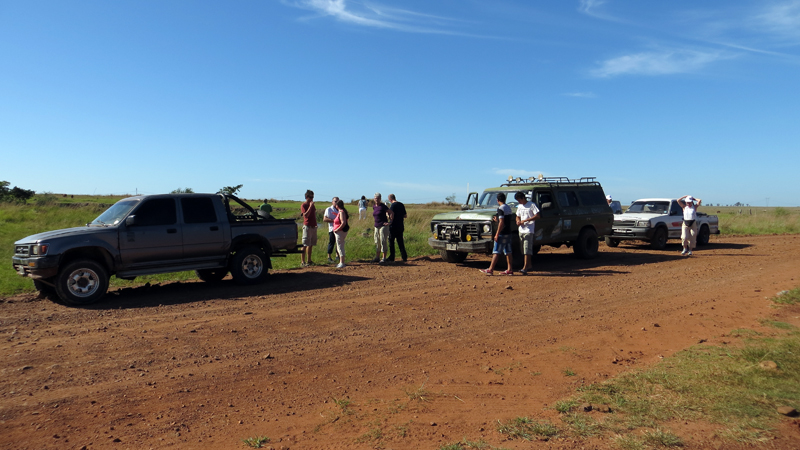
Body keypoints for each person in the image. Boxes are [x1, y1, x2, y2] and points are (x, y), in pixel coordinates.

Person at [480, 192, 515, 275]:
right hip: (508, 232)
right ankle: (510, 269)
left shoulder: (500, 209)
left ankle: (490, 269)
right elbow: (505, 220)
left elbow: (502, 222)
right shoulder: (508, 208)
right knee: (508, 251)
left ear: (497, 200)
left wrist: (497, 234)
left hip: (502, 233)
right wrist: (498, 220)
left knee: (496, 251)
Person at [515, 191, 540, 275]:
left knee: (527, 249)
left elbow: (537, 216)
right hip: (521, 230)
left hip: (529, 230)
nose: (519, 202)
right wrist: (518, 221)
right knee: (523, 249)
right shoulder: (520, 206)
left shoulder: (532, 205)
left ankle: (525, 267)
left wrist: (526, 220)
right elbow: (517, 216)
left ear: (523, 198)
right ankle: (529, 265)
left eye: (519, 200)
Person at [372, 192, 394, 264]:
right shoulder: (374, 206)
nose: (376, 200)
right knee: (377, 241)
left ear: (380, 199)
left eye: (378, 198)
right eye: (375, 198)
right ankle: (377, 257)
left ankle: (384, 257)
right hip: (376, 226)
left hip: (383, 226)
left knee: (383, 241)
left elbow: (391, 212)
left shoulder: (383, 206)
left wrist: (390, 221)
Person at [387, 194, 408, 262]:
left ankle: (392, 257)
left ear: (390, 199)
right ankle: (404, 256)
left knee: (391, 242)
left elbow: (391, 216)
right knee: (400, 242)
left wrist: (387, 215)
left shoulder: (393, 205)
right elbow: (405, 215)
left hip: (393, 226)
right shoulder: (401, 204)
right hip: (400, 226)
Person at [299, 190, 317, 267]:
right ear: (306, 197)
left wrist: (315, 224)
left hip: (313, 226)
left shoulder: (312, 205)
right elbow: (306, 215)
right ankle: (302, 261)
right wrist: (310, 206)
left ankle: (309, 260)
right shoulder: (304, 205)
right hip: (307, 226)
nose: (312, 199)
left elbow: (313, 214)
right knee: (305, 244)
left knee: (311, 244)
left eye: (313, 197)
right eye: (310, 197)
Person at [322, 197, 340, 264]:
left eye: (338, 201)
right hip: (332, 228)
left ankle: (337, 255)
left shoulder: (340, 210)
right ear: (332, 202)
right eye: (335, 201)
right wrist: (334, 221)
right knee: (331, 242)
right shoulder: (329, 209)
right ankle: (329, 256)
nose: (336, 203)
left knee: (338, 242)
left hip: (339, 228)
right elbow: (324, 219)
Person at [332, 199, 349, 268]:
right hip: (340, 231)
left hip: (340, 232)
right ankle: (341, 261)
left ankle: (342, 262)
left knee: (340, 246)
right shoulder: (341, 212)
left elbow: (343, 222)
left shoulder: (341, 212)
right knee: (340, 245)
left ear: (337, 205)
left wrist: (337, 229)